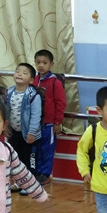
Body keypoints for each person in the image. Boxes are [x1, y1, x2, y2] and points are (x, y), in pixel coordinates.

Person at [6, 62, 42, 192]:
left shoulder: (33, 95)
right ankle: (18, 183)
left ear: (31, 80)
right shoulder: (9, 92)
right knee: (16, 159)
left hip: (29, 134)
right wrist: (6, 127)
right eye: (17, 71)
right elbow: (6, 111)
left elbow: (36, 115)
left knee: (29, 159)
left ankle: (30, 184)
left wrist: (31, 132)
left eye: (24, 73)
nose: (20, 74)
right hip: (14, 132)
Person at [33, 49, 67, 184]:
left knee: (46, 150)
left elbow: (60, 103)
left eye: (44, 63)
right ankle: (36, 172)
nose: (41, 65)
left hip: (49, 124)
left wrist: (57, 122)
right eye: (38, 62)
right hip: (35, 123)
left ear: (51, 64)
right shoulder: (33, 80)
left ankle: (45, 174)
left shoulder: (55, 82)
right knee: (36, 149)